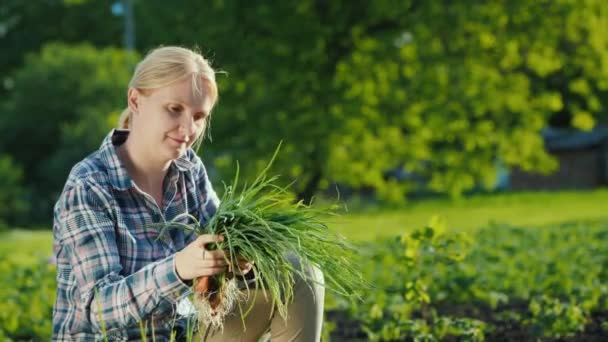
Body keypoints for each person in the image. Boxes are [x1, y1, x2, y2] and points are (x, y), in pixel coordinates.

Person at [52, 46, 325, 341]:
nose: (187, 128)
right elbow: (99, 310)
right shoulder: (89, 186)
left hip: (183, 333)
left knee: (298, 272)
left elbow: (215, 250)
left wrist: (236, 260)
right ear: (135, 100)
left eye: (199, 115)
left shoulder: (188, 170)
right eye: (174, 109)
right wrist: (179, 268)